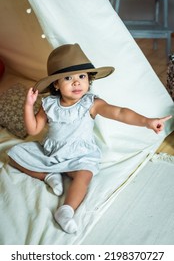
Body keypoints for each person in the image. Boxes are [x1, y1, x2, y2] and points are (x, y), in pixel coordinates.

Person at [8, 43, 172, 234]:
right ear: (56, 84)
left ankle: (66, 210)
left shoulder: (90, 104)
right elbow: (34, 129)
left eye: (82, 76)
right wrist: (28, 106)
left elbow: (119, 112)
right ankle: (49, 175)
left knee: (84, 176)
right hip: (51, 153)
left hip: (80, 155)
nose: (76, 82)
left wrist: (146, 121)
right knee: (14, 154)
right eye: (68, 78)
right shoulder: (49, 104)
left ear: (89, 80)